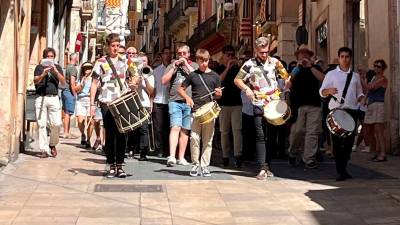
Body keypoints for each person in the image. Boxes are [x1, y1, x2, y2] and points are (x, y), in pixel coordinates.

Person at [234, 37, 290, 180]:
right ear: (256, 50)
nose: (264, 55)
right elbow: (237, 80)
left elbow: (286, 76)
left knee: (271, 135)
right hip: (258, 102)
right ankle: (262, 167)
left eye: (266, 52)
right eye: (261, 52)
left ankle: (268, 166)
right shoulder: (249, 64)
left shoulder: (275, 62)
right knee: (259, 135)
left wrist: (288, 83)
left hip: (273, 103)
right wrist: (247, 89)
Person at [320, 47, 365, 181]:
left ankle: (343, 167)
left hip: (351, 111)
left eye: (347, 57)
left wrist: (362, 98)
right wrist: (328, 91)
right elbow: (321, 91)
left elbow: (359, 92)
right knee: (338, 143)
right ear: (339, 58)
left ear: (350, 58)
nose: (345, 59)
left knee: (349, 143)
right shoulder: (331, 74)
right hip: (336, 111)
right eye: (342, 57)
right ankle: (340, 170)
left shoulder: (355, 76)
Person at [90, 33, 130, 178]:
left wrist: (134, 83)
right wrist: (92, 104)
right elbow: (94, 84)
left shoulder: (125, 61)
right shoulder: (100, 62)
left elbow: (133, 77)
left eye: (117, 46)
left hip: (121, 101)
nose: (115, 48)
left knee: (122, 134)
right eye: (113, 46)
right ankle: (111, 164)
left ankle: (120, 165)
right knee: (110, 133)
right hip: (106, 101)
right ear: (107, 47)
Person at [178, 49, 222, 176]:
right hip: (196, 110)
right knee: (194, 138)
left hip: (209, 111)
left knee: (208, 140)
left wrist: (219, 94)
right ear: (197, 61)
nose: (204, 63)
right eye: (201, 61)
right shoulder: (193, 75)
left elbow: (218, 95)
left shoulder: (215, 76)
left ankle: (205, 165)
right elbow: (181, 89)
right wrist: (187, 98)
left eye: (206, 60)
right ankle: (195, 164)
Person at [288, 45, 325, 169]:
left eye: (306, 54)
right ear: (297, 55)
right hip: (298, 105)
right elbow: (288, 82)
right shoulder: (295, 68)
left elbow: (323, 79)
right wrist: (298, 67)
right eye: (301, 54)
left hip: (314, 103)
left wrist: (310, 67)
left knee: (312, 133)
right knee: (297, 131)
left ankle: (308, 158)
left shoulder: (315, 67)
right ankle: (292, 152)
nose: (304, 56)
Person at [162, 45, 198, 166]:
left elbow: (197, 77)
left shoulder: (194, 66)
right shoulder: (171, 66)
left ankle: (181, 157)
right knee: (175, 127)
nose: (181, 55)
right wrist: (174, 67)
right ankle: (172, 156)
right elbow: (164, 81)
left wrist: (186, 65)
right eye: (179, 53)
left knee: (185, 130)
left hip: (189, 101)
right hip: (175, 101)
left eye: (184, 53)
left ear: (188, 54)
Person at [34, 47, 66, 158]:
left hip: (53, 97)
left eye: (51, 57)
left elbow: (63, 83)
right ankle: (44, 149)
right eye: (47, 56)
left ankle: (52, 144)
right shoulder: (39, 67)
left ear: (54, 58)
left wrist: (55, 72)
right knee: (41, 124)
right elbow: (35, 80)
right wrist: (43, 74)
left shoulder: (57, 67)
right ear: (44, 57)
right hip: (41, 97)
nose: (49, 58)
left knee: (56, 124)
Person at [215, 45, 243, 167]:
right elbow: (218, 81)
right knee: (224, 131)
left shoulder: (238, 69)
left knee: (237, 131)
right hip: (224, 104)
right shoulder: (219, 68)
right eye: (228, 55)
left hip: (237, 103)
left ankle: (238, 155)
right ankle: (225, 156)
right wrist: (227, 68)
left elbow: (244, 80)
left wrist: (239, 66)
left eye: (233, 55)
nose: (231, 57)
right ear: (223, 55)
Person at [128, 52, 154, 161]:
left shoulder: (149, 73)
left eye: (144, 61)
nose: (143, 63)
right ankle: (131, 149)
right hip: (133, 103)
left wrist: (145, 79)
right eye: (141, 61)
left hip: (145, 104)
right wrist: (134, 83)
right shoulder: (132, 72)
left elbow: (151, 91)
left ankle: (143, 152)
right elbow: (129, 88)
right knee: (133, 128)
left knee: (144, 129)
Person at [362, 59, 388, 162]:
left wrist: (363, 79)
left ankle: (383, 153)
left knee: (379, 131)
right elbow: (368, 91)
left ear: (383, 68)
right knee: (369, 130)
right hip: (371, 105)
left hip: (378, 105)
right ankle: (374, 152)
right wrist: (365, 99)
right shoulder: (373, 78)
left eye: (379, 66)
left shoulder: (382, 79)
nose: (376, 68)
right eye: (375, 66)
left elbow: (370, 87)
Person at [152, 47, 172, 157]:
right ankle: (159, 149)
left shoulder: (175, 69)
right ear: (162, 55)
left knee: (169, 127)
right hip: (158, 102)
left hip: (170, 102)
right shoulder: (156, 71)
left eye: (169, 53)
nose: (167, 55)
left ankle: (168, 149)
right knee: (158, 127)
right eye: (166, 53)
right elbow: (154, 88)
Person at [75, 62, 96, 148]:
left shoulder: (94, 79)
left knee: (90, 121)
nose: (87, 69)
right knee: (80, 121)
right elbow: (76, 90)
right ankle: (83, 134)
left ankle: (88, 139)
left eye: (89, 68)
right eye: (86, 68)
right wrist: (82, 82)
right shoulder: (80, 78)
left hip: (90, 100)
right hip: (81, 99)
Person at [61, 52, 79, 139]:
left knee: (65, 111)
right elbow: (72, 82)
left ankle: (67, 132)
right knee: (68, 113)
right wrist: (74, 93)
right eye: (77, 58)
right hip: (69, 92)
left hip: (64, 91)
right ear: (75, 59)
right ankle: (66, 132)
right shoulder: (73, 69)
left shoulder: (67, 67)